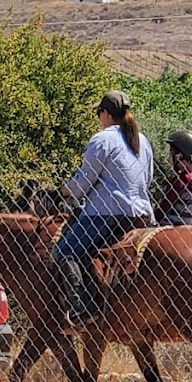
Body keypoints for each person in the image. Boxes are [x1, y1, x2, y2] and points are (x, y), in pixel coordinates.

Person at [53, 90, 155, 325]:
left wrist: (66, 192)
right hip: (140, 215)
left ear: (106, 114)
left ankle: (82, 308)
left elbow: (85, 179)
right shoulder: (143, 141)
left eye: (99, 113)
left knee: (64, 251)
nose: (99, 118)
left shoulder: (102, 139)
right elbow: (147, 179)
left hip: (106, 215)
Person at [155, 130, 192, 227]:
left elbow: (163, 208)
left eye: (172, 153)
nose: (169, 158)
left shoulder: (181, 181)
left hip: (170, 227)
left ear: (180, 155)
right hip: (190, 226)